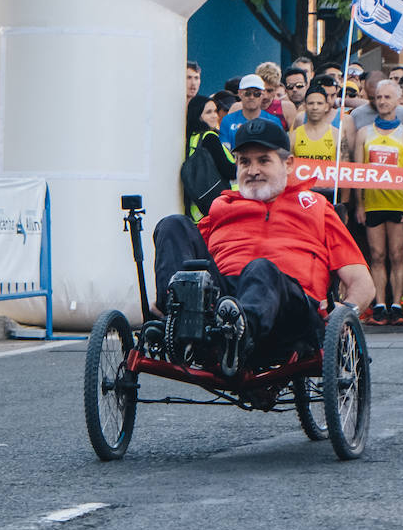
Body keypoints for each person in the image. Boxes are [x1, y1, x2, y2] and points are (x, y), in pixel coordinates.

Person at [153, 118, 374, 364]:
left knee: (262, 268)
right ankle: (177, 317)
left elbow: (362, 283)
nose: (253, 170)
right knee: (174, 225)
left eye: (263, 160)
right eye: (245, 162)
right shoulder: (221, 206)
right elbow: (188, 257)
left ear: (288, 164)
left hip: (289, 310)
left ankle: (240, 333)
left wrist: (345, 313)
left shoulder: (315, 207)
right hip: (222, 305)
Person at [353, 81, 403, 325]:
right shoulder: (364, 133)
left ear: (398, 100)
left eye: (387, 97)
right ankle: (380, 303)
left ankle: (397, 304)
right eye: (379, 97)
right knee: (377, 255)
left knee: (397, 254)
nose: (382, 101)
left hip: (398, 203)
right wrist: (359, 204)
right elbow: (358, 172)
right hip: (372, 202)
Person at [184, 95, 236, 221]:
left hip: (196, 210)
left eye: (215, 111)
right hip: (217, 206)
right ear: (198, 115)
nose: (215, 116)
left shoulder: (192, 138)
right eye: (208, 112)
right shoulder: (210, 138)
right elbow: (228, 171)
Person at [220, 74, 279, 147]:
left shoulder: (274, 121)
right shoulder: (227, 120)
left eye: (257, 94)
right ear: (240, 94)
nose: (251, 97)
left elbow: (279, 150)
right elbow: (224, 150)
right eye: (247, 93)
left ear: (263, 94)